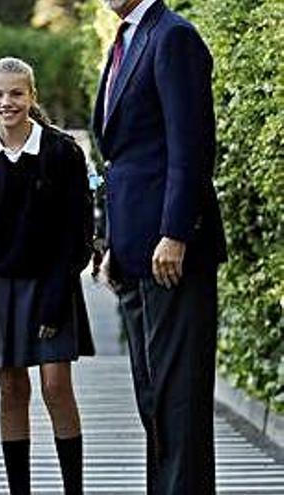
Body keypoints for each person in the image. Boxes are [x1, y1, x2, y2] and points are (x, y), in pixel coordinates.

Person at [92, 0, 227, 493]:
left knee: (179, 403)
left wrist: (176, 232)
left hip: (173, 252)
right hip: (133, 253)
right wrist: (112, 242)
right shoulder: (126, 39)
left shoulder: (173, 36)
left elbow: (191, 146)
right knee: (154, 402)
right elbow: (124, 157)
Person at [0, 57, 94, 495]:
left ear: (32, 97)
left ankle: (74, 488)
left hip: (52, 283)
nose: (6, 102)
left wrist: (58, 297)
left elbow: (78, 235)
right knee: (12, 390)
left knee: (56, 387)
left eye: (16, 93)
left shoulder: (63, 152)